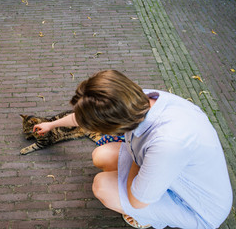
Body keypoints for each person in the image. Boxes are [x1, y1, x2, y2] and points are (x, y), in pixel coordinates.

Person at [33, 70, 233, 228]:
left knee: (102, 186)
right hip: (170, 169)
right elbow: (87, 115)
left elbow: (138, 201)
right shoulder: (137, 99)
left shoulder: (167, 143)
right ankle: (137, 185)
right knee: (100, 155)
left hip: (196, 207)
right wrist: (52, 124)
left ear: (114, 126)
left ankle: (152, 219)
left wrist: (139, 163)